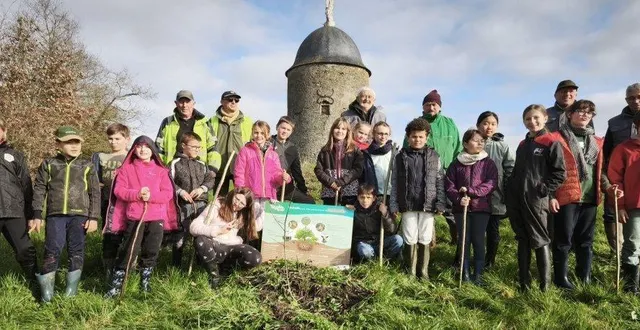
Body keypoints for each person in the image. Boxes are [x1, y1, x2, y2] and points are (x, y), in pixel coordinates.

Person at [31, 126, 100, 302]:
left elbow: (94, 193)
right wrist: (37, 214)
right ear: (58, 144)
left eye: (76, 141)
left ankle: (71, 291)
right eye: (69, 142)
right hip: (55, 215)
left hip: (80, 216)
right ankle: (47, 293)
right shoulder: (49, 164)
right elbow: (39, 189)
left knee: (76, 251)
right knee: (52, 249)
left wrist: (93, 217)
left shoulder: (87, 165)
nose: (74, 145)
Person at [543, 100, 607, 289]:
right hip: (566, 196)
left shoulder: (597, 142)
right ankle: (561, 279)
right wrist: (550, 195)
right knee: (563, 240)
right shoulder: (556, 138)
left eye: (590, 113)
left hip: (589, 197)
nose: (585, 115)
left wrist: (608, 188)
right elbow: (547, 170)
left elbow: (600, 170)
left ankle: (583, 276)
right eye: (580, 111)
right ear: (570, 114)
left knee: (586, 241)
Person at [104, 136, 179, 298]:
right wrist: (136, 194)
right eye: (139, 146)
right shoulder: (126, 169)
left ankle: (145, 281)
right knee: (129, 249)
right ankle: (117, 283)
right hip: (135, 216)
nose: (143, 150)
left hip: (156, 217)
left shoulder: (161, 171)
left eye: (147, 146)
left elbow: (167, 194)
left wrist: (150, 196)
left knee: (151, 249)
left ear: (153, 150)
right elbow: (119, 191)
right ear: (134, 149)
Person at [506, 105, 565, 292]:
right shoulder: (523, 145)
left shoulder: (551, 141)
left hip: (536, 200)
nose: (532, 122)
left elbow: (559, 172)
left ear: (545, 118)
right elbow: (517, 171)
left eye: (536, 118)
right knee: (522, 239)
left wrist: (544, 189)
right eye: (528, 119)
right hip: (517, 199)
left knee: (540, 239)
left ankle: (544, 286)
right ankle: (524, 283)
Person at [404, 90, 462, 251]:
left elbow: (458, 148)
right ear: (423, 106)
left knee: (450, 208)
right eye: (428, 104)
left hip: (447, 173)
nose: (431, 107)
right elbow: (406, 148)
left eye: (434, 104)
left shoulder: (450, 124)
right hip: (422, 176)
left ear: (440, 107)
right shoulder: (416, 124)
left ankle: (457, 241)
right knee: (426, 208)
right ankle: (428, 243)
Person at [390, 118, 446, 279]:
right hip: (407, 204)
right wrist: (394, 204)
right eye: (414, 136)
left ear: (426, 137)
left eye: (421, 136)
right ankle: (411, 272)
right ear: (408, 137)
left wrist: (441, 202)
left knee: (425, 236)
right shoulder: (400, 157)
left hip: (428, 204)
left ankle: (424, 272)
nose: (417, 139)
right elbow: (394, 182)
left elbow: (440, 180)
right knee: (409, 236)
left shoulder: (434, 156)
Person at [445, 129, 498, 284]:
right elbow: (449, 186)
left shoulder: (488, 163)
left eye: (482, 140)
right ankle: (465, 273)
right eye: (475, 140)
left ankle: (479, 274)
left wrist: (472, 191)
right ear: (465, 143)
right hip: (461, 209)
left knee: (478, 240)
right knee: (464, 240)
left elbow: (491, 184)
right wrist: (458, 199)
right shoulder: (456, 164)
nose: (480, 143)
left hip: (481, 208)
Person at [189, 188, 264, 288]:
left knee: (255, 257)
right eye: (237, 199)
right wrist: (218, 230)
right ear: (233, 194)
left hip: (230, 247)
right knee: (200, 240)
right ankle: (214, 276)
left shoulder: (242, 213)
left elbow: (256, 227)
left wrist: (265, 212)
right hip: (213, 245)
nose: (237, 204)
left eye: (242, 203)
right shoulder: (217, 205)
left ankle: (226, 271)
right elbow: (193, 227)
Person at [0, 118, 39, 293]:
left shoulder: (15, 155)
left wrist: (31, 214)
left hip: (14, 211)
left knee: (25, 250)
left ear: (4, 131)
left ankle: (36, 285)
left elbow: (26, 185)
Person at [601, 83, 640, 252]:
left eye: (639, 96)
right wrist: (606, 181)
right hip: (619, 177)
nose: (636, 101)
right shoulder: (615, 123)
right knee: (613, 216)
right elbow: (605, 151)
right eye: (631, 97)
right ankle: (617, 253)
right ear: (626, 100)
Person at [169, 132, 216, 268]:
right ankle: (176, 267)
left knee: (201, 234)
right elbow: (168, 181)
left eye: (199, 147)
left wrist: (202, 188)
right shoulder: (174, 163)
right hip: (181, 206)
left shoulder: (202, 164)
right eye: (194, 146)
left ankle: (199, 264)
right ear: (183, 145)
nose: (197, 150)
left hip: (201, 205)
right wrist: (180, 191)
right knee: (180, 237)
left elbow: (210, 180)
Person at [475, 112, 515, 268]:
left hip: (495, 195)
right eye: (485, 123)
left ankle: (489, 261)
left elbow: (510, 169)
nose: (489, 126)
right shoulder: (471, 142)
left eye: (492, 123)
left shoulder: (502, 146)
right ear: (478, 125)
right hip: (475, 196)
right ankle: (467, 258)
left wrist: (507, 192)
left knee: (493, 231)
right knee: (474, 231)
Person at [606, 113, 640, 294]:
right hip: (634, 206)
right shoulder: (624, 149)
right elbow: (615, 180)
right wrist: (620, 205)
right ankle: (631, 286)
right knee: (632, 244)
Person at [92, 123, 130, 281]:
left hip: (128, 203)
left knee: (128, 235)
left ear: (127, 139)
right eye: (110, 138)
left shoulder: (131, 157)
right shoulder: (100, 157)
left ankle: (127, 269)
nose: (113, 142)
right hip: (107, 202)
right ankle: (109, 270)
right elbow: (94, 180)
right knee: (110, 235)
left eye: (117, 138)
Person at [155, 90, 220, 170]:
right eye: (181, 102)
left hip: (199, 170)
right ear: (176, 103)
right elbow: (158, 149)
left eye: (187, 102)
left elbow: (213, 147)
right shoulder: (167, 122)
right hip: (172, 170)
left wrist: (212, 169)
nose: (184, 105)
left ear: (193, 103)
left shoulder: (205, 122)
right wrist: (161, 169)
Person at [209, 91, 253, 195]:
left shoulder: (247, 121)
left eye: (236, 100)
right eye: (230, 99)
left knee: (240, 199)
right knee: (219, 200)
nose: (233, 102)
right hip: (218, 167)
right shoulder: (211, 121)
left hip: (240, 168)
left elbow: (254, 143)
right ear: (221, 101)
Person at [314, 117, 364, 206]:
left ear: (347, 132)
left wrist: (342, 182)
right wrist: (331, 182)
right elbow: (318, 170)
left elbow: (358, 169)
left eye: (343, 129)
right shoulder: (325, 150)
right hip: (330, 192)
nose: (340, 131)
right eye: (337, 128)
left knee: (347, 219)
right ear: (332, 130)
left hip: (349, 192)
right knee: (330, 218)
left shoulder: (355, 150)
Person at [351, 183, 403, 262]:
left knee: (398, 239)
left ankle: (385, 260)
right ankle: (373, 262)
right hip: (364, 243)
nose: (365, 200)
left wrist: (385, 214)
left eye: (368, 197)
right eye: (362, 197)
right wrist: (347, 213)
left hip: (380, 242)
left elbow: (392, 230)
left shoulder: (379, 209)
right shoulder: (354, 210)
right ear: (358, 198)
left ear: (374, 198)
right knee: (364, 250)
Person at [269, 116, 314, 204]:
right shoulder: (268, 143)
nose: (285, 131)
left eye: (288, 130)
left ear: (291, 132)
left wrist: (303, 190)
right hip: (270, 187)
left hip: (287, 188)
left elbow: (297, 172)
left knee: (309, 202)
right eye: (283, 128)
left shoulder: (292, 148)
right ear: (277, 127)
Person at [362, 122, 397, 202]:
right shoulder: (366, 153)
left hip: (390, 195)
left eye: (386, 134)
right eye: (380, 133)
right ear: (374, 134)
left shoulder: (394, 152)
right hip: (371, 195)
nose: (383, 137)